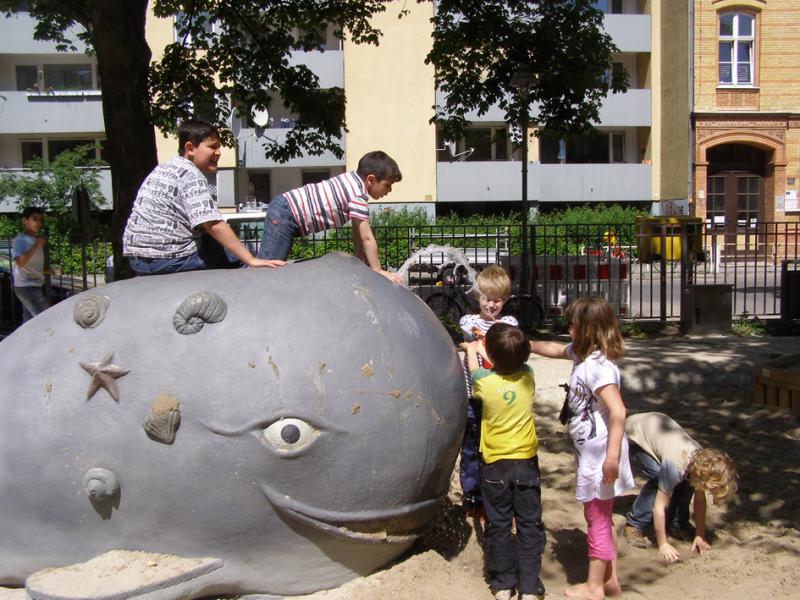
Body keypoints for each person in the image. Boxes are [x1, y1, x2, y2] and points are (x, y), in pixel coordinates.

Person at [529, 297, 634, 600]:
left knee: (597, 521)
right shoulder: (582, 355)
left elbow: (619, 411)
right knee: (600, 515)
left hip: (601, 454)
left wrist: (612, 457)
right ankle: (611, 580)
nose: (568, 329)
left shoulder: (597, 369)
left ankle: (594, 587)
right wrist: (527, 344)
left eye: (572, 325)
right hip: (592, 452)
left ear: (588, 330)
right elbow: (553, 349)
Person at [123, 119, 285, 275]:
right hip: (167, 259)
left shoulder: (163, 169)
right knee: (231, 257)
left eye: (219, 147)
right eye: (212, 147)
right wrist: (250, 260)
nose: (218, 152)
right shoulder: (190, 174)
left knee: (211, 243)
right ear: (190, 148)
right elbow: (213, 224)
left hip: (137, 259)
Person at [462, 322, 546, 600]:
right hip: (526, 465)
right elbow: (511, 361)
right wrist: (490, 348)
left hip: (495, 465)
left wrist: (472, 347)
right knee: (528, 524)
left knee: (498, 524)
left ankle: (502, 584)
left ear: (490, 357)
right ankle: (530, 585)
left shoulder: (484, 384)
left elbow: (475, 367)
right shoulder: (528, 379)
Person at [256, 151, 401, 284]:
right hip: (286, 214)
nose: (389, 191)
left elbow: (358, 233)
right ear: (371, 180)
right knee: (267, 271)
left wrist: (360, 258)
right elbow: (367, 238)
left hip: (286, 211)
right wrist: (378, 271)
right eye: (387, 185)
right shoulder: (358, 194)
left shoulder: (352, 181)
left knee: (270, 268)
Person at [622, 412, 737, 563]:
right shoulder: (675, 467)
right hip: (635, 433)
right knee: (658, 477)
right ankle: (635, 522)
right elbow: (659, 507)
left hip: (660, 432)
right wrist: (663, 544)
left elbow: (700, 501)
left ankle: (677, 524)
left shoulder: (701, 464)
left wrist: (699, 535)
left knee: (688, 482)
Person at [458, 265, 518, 517]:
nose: (491, 305)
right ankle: (473, 497)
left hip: (499, 400)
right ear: (477, 298)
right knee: (471, 447)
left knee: (498, 446)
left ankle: (499, 493)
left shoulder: (510, 323)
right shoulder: (468, 321)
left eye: (497, 301)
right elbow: (469, 327)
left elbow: (501, 334)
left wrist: (485, 333)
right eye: (487, 299)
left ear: (504, 301)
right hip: (474, 398)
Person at [11, 206, 52, 322]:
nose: (38, 223)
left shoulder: (35, 240)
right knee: (45, 318)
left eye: (40, 220)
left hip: (33, 285)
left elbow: (31, 267)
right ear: (24, 221)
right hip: (26, 286)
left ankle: (23, 340)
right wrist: (36, 246)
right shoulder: (20, 240)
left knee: (29, 323)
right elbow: (20, 263)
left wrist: (48, 271)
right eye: (35, 219)